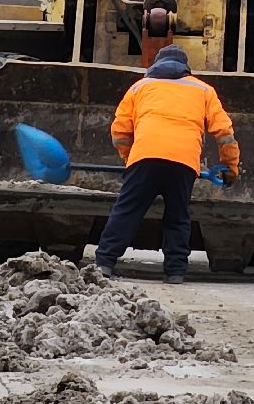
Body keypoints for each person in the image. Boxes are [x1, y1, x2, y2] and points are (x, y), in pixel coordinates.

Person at [94, 44, 240, 284]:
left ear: (155, 65)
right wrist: (230, 167)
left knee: (127, 211)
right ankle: (175, 271)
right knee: (178, 215)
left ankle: (105, 263)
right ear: (186, 67)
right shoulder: (203, 90)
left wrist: (130, 158)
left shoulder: (139, 87)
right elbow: (224, 132)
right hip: (183, 162)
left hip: (144, 157)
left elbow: (119, 131)